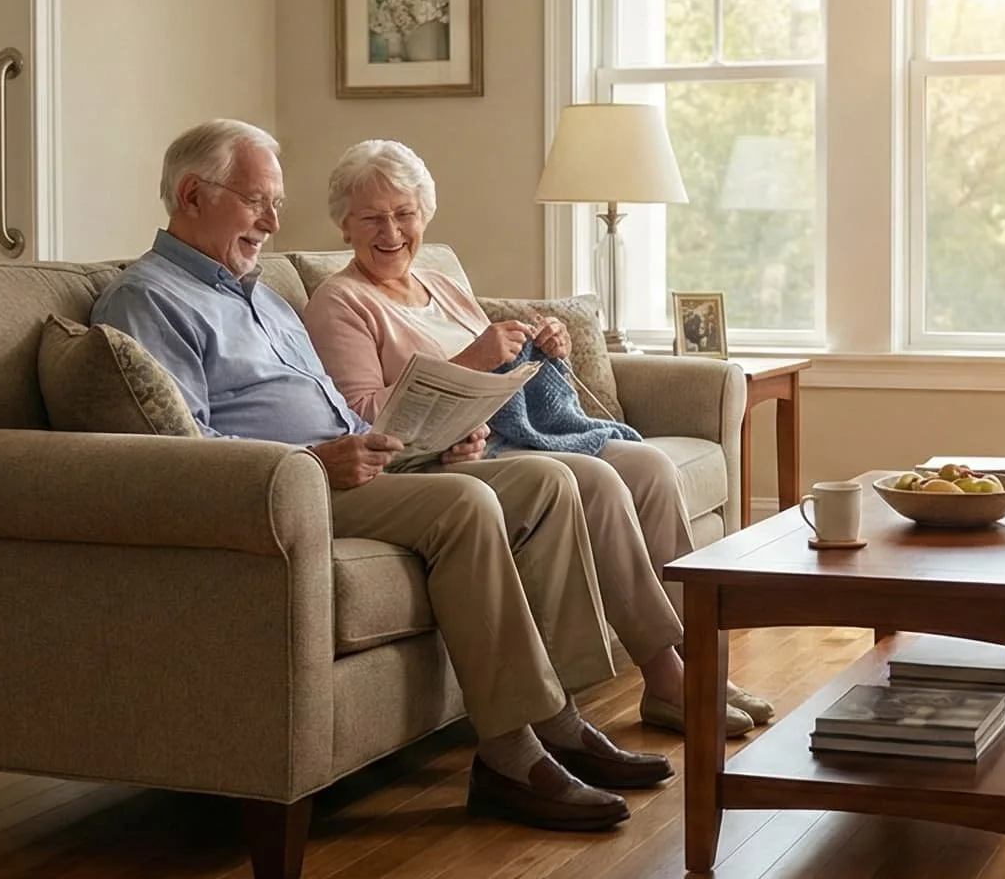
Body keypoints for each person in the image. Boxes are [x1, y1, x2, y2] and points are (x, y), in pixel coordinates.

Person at [92, 119, 671, 833]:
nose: (274, 223)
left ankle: (559, 717)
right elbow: (186, 453)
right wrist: (312, 465)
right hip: (287, 493)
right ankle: (511, 753)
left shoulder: (265, 297)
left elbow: (348, 415)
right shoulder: (148, 301)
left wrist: (427, 447)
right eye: (258, 203)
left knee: (548, 483)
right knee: (464, 506)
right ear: (190, 194)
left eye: (276, 203)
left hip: (358, 469)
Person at [302, 139, 775, 738]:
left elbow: (505, 377)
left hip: (513, 435)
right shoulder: (341, 303)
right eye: (372, 217)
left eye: (405, 213)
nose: (391, 230)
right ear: (344, 225)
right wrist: (476, 357)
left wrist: (544, 346)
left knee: (648, 467)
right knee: (598, 481)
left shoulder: (442, 285)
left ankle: (698, 661)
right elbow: (366, 416)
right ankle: (664, 678)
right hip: (449, 460)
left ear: (425, 214)